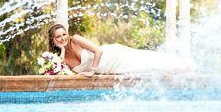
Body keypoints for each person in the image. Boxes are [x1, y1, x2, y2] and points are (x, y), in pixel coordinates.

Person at [47, 24, 190, 76]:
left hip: (112, 57)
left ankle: (183, 67)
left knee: (144, 62)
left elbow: (98, 51)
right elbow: (61, 73)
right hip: (107, 70)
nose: (63, 38)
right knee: (141, 71)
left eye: (64, 34)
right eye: (58, 37)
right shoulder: (61, 58)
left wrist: (93, 70)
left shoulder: (76, 39)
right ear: (53, 40)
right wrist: (62, 50)